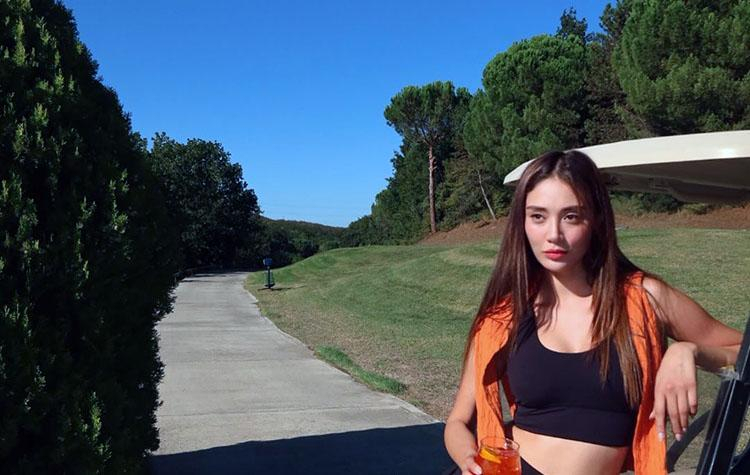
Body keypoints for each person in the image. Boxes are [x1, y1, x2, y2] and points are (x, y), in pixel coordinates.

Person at [443, 150, 742, 475]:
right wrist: (470, 461)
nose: (553, 234)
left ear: (596, 219)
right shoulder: (503, 318)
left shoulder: (643, 298)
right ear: (522, 222)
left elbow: (744, 351)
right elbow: (458, 422)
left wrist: (689, 350)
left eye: (571, 216)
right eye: (538, 216)